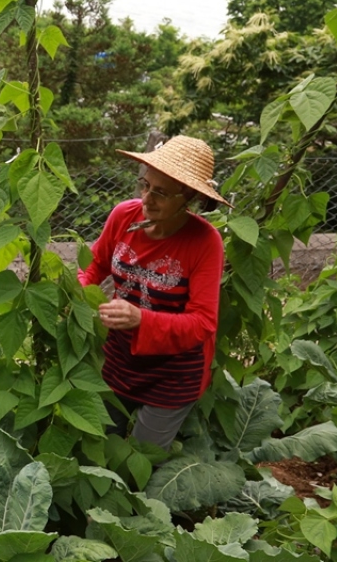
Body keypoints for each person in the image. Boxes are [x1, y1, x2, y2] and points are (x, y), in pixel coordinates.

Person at [78, 135, 228, 450]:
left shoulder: (204, 241)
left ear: (188, 196)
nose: (147, 199)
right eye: (146, 185)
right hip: (118, 359)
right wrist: (75, 298)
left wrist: (140, 320)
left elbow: (202, 323)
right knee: (100, 445)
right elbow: (93, 267)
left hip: (173, 374)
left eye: (161, 192)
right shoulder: (123, 216)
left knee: (142, 458)